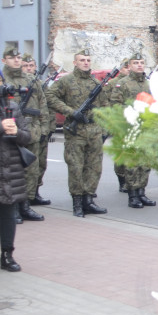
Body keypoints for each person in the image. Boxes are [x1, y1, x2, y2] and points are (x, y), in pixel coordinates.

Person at [46, 49, 110, 218]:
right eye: (82, 60)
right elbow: (50, 96)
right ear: (75, 63)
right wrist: (71, 112)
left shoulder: (95, 83)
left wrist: (103, 127)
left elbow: (105, 106)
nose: (86, 62)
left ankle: (88, 200)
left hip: (94, 130)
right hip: (76, 132)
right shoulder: (66, 81)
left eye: (88, 60)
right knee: (76, 167)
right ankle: (77, 202)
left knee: (94, 167)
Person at [107, 53, 157, 209]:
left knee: (145, 163)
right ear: (130, 66)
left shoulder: (149, 84)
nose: (140, 65)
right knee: (132, 164)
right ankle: (133, 195)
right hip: (130, 128)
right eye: (136, 63)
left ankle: (142, 192)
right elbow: (115, 105)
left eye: (142, 62)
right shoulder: (122, 84)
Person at [2, 48, 46, 222]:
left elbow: (42, 104)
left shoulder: (30, 79)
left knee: (31, 171)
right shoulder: (3, 80)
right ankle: (12, 208)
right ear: (4, 60)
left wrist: (45, 127)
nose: (17, 60)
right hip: (8, 133)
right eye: (12, 58)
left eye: (18, 57)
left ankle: (25, 206)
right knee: (11, 173)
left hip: (30, 130)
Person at [0, 96, 31, 272]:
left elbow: (27, 136)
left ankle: (7, 254)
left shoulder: (12, 106)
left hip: (9, 169)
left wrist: (15, 132)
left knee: (8, 214)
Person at [20, 54, 53, 209]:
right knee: (25, 168)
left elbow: (44, 108)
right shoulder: (16, 83)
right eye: (25, 66)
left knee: (40, 165)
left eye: (31, 65)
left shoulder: (39, 83)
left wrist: (46, 130)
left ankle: (34, 193)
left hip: (38, 130)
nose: (29, 68)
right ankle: (23, 201)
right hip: (22, 131)